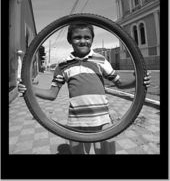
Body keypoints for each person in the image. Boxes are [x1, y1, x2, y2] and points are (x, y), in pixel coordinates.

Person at [18, 22, 151, 154]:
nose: (83, 41)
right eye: (77, 37)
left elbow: (120, 83)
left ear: (92, 39)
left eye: (87, 37)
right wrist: (30, 89)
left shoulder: (101, 60)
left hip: (102, 121)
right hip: (76, 122)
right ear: (70, 40)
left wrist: (137, 80)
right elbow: (52, 94)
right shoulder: (63, 65)